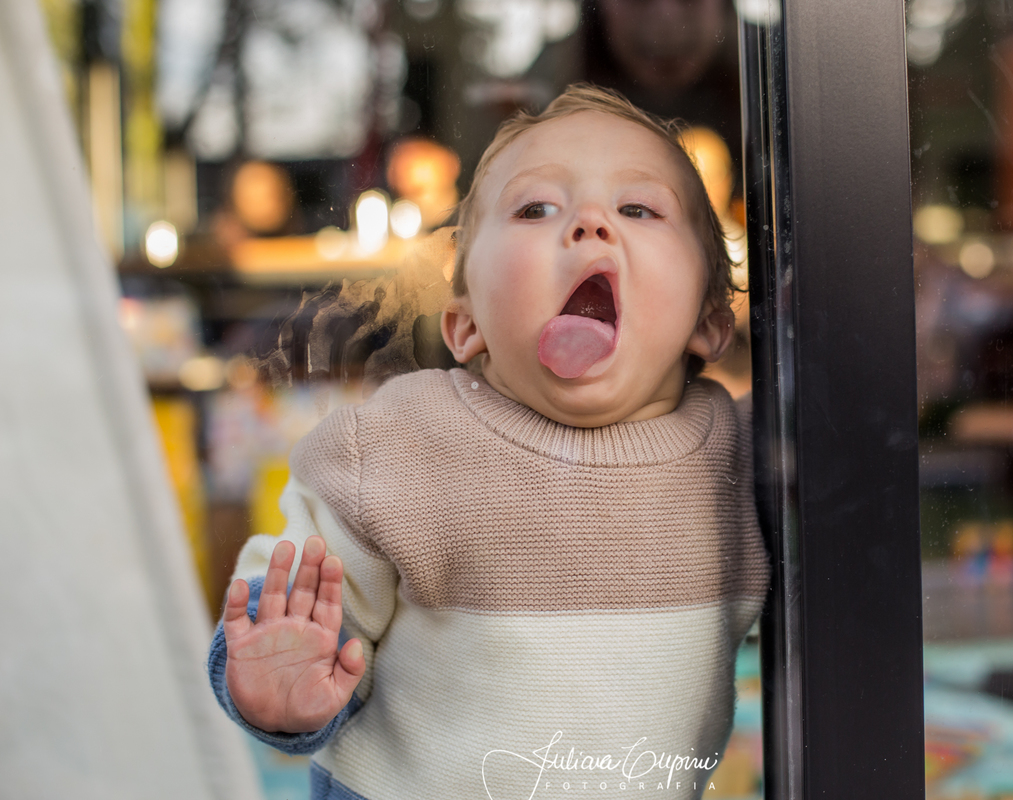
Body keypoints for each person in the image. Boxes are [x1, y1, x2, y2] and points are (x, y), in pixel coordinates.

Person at [207, 84, 771, 800]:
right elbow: (303, 612)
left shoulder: (746, 455)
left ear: (710, 323)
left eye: (638, 209)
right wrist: (283, 678)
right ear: (466, 326)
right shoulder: (401, 445)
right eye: (536, 208)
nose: (590, 224)